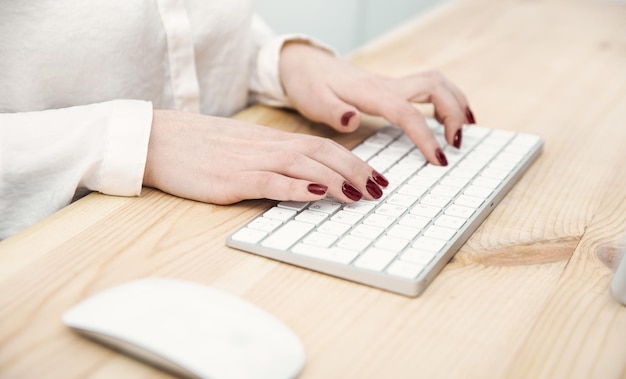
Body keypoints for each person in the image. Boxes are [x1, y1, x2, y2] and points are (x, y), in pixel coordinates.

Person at [0, 0, 475, 240]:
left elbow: (178, 36)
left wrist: (286, 62)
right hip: (56, 254)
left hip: (202, 227)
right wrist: (140, 142)